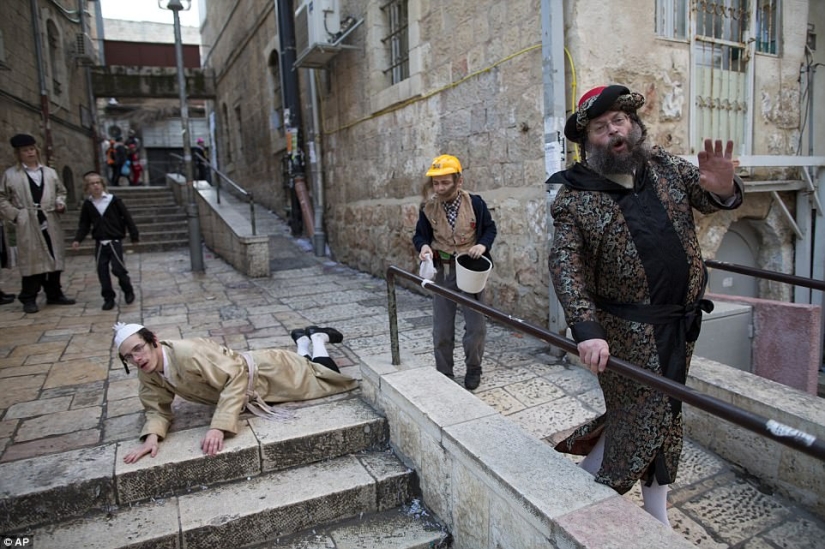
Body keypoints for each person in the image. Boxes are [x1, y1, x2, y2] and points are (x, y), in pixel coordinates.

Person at [548, 85, 744, 526]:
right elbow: (566, 265)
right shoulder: (574, 198)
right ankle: (587, 503)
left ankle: (654, 513)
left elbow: (709, 195)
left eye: (619, 121)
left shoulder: (665, 167)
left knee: (661, 412)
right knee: (647, 414)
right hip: (626, 333)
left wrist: (724, 188)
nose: (613, 131)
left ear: (633, 125)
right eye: (600, 128)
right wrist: (586, 328)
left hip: (680, 326)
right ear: (587, 143)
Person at [116, 323, 359, 463]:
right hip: (259, 380)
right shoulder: (146, 369)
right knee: (312, 369)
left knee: (329, 376)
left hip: (271, 372)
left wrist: (218, 426)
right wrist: (152, 436)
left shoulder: (188, 352)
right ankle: (303, 343)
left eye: (139, 349)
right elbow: (155, 406)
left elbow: (236, 376)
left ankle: (317, 338)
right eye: (129, 356)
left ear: (154, 340)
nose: (136, 359)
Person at [412, 154, 497, 390]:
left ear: (458, 181)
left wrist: (483, 245)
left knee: (476, 326)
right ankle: (445, 373)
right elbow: (420, 235)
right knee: (441, 327)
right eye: (436, 183)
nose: (439, 188)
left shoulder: (475, 203)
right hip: (444, 270)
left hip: (471, 270)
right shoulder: (428, 208)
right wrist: (424, 246)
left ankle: (473, 367)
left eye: (445, 182)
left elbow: (490, 229)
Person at [0, 133, 76, 313]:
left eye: (32, 149)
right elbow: (2, 197)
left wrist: (60, 202)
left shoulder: (49, 172)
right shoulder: (11, 175)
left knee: (54, 256)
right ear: (18, 153)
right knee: (33, 260)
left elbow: (61, 191)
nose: (30, 153)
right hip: (28, 220)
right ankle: (29, 296)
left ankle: (54, 293)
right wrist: (17, 215)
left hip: (49, 219)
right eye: (25, 150)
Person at [72, 171, 139, 310]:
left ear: (102, 184)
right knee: (102, 270)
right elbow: (84, 224)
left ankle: (128, 290)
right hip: (100, 242)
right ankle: (108, 298)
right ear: (87, 187)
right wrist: (78, 239)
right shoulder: (88, 204)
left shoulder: (113, 201)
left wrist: (134, 235)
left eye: (98, 183)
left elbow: (127, 218)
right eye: (92, 184)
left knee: (118, 269)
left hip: (114, 240)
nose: (95, 186)